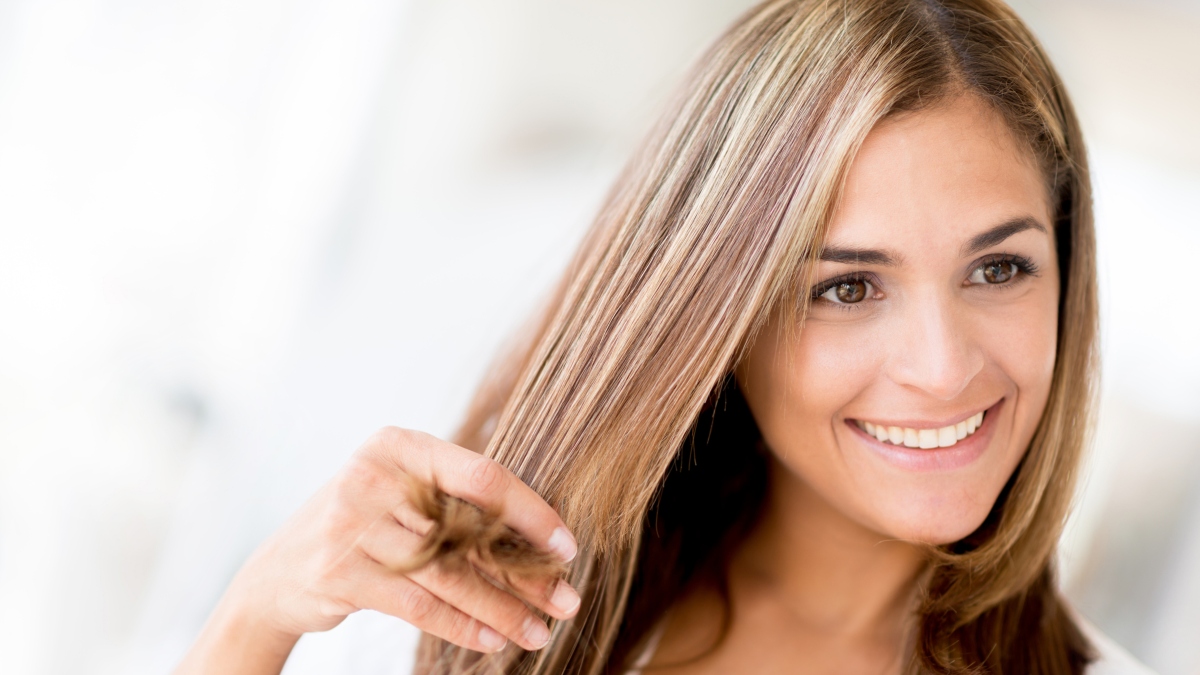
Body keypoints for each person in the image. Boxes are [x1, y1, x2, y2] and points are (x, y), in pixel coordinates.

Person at [175, 0, 1156, 673]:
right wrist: (253, 620)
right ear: (720, 312)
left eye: (998, 270)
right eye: (849, 287)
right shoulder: (447, 616)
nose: (943, 368)